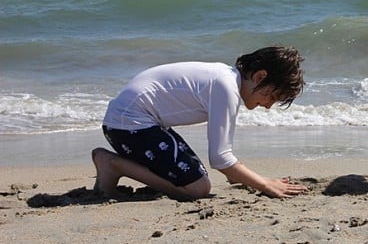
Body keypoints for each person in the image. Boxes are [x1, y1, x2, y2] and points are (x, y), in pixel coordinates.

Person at [92, 45, 308, 200]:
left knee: (195, 177)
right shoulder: (226, 87)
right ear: (260, 77)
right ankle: (113, 164)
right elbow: (221, 159)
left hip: (126, 123)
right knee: (197, 188)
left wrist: (239, 176)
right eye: (272, 97)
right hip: (129, 126)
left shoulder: (224, 77)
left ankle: (115, 165)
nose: (269, 106)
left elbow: (222, 157)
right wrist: (266, 184)